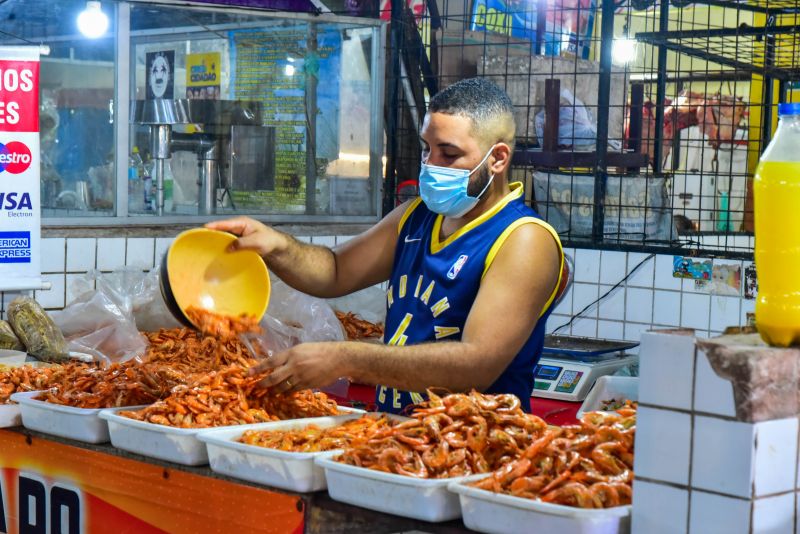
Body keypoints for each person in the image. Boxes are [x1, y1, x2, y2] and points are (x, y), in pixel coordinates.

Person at [207, 77, 563, 414]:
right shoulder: (416, 216)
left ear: (498, 159)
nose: (430, 165)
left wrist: (346, 358)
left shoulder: (524, 239)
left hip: (472, 447)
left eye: (449, 154)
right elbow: (334, 271)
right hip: (398, 434)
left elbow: (477, 363)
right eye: (427, 149)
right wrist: (274, 245)